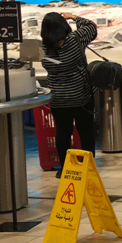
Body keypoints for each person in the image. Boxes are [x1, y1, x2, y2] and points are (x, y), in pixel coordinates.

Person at [41, 12, 97, 178]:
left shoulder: (44, 47)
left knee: (63, 132)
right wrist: (73, 17)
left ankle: (65, 168)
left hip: (58, 97)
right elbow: (91, 27)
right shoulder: (75, 39)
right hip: (81, 94)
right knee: (86, 130)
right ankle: (88, 166)